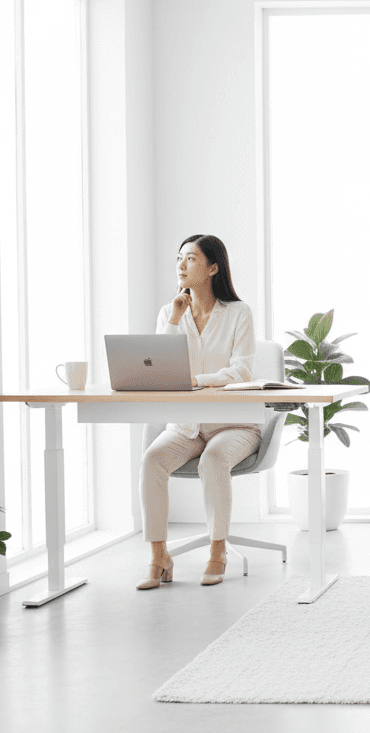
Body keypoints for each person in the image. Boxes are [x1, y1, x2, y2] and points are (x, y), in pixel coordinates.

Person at [137, 234, 260, 590]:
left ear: (212, 268)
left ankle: (217, 553)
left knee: (214, 459)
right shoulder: (170, 312)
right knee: (152, 461)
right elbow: (157, 366)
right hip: (186, 425)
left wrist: (197, 380)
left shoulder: (238, 312)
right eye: (179, 258)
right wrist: (175, 319)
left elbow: (241, 372)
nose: (181, 264)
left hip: (233, 424)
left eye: (190, 258)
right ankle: (159, 557)